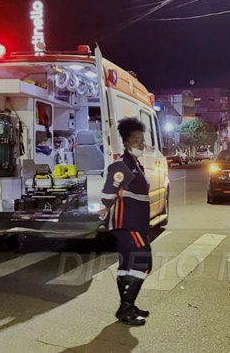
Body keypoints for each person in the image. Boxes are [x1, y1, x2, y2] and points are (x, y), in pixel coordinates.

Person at [99, 117, 152, 326]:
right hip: (128, 223)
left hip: (135, 223)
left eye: (142, 140)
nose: (141, 144)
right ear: (127, 143)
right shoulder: (122, 165)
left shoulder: (135, 164)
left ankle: (128, 305)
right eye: (137, 140)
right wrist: (107, 205)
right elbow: (107, 194)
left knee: (127, 265)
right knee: (143, 262)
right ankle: (125, 308)